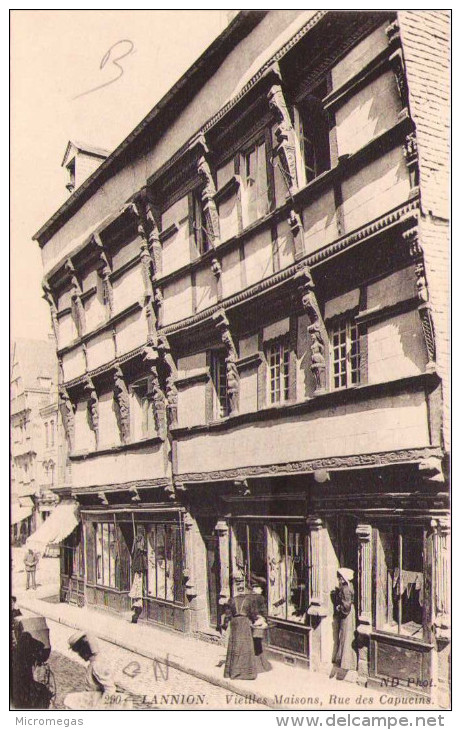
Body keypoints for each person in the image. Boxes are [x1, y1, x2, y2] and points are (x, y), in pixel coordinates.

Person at [65, 631, 120, 709]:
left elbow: (110, 689)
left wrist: (100, 707)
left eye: (79, 652)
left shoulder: (97, 665)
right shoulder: (94, 663)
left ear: (84, 651)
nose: (79, 656)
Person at [223, 581, 258, 680]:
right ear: (246, 590)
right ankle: (246, 672)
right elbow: (253, 614)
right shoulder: (249, 601)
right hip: (244, 622)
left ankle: (232, 671)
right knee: (246, 646)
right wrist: (254, 620)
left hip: (235, 623)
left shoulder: (232, 600)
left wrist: (225, 625)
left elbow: (228, 614)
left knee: (235, 645)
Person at [333, 568, 357, 677]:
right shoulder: (349, 586)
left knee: (345, 636)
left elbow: (346, 605)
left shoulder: (345, 588)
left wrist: (339, 608)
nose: (339, 579)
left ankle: (346, 663)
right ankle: (349, 662)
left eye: (340, 577)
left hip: (347, 614)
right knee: (348, 636)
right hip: (350, 613)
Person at [248, 580, 272, 674]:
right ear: (255, 589)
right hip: (258, 622)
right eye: (260, 588)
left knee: (253, 642)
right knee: (258, 643)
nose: (262, 589)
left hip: (250, 622)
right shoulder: (260, 598)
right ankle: (260, 665)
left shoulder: (248, 597)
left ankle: (253, 663)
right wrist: (265, 619)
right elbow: (263, 610)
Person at [129, 532, 147, 623]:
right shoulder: (139, 551)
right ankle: (137, 610)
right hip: (139, 571)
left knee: (138, 587)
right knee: (138, 587)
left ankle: (137, 610)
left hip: (138, 571)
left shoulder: (137, 550)